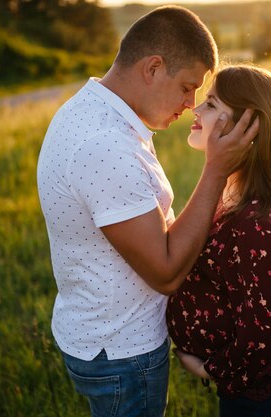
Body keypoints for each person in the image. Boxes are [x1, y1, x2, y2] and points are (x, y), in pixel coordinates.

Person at [36, 6, 258, 417]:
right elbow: (166, 272)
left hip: (99, 334)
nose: (191, 104)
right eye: (187, 87)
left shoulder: (95, 112)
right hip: (123, 353)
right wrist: (216, 171)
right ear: (153, 67)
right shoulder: (104, 145)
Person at [166, 64, 271, 417]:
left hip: (261, 390)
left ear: (249, 128)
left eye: (212, 105)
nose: (195, 110)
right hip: (247, 384)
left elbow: (262, 332)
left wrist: (206, 369)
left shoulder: (254, 223)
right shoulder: (230, 190)